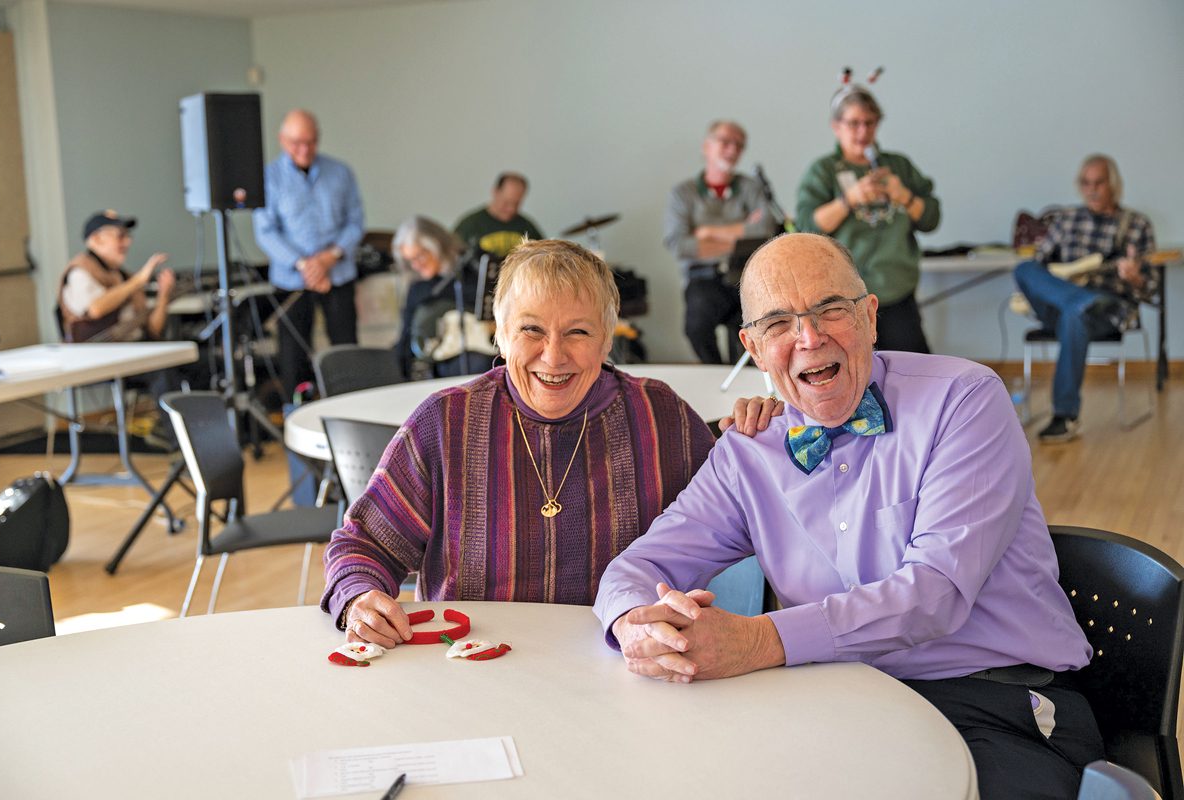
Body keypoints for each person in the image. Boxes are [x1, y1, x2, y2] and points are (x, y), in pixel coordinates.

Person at [595, 233, 1103, 800]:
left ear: (869, 317)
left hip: (992, 704)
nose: (809, 338)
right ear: (754, 348)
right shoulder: (749, 451)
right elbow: (636, 567)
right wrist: (638, 625)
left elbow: (932, 593)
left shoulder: (963, 401)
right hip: (833, 705)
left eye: (830, 310)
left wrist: (758, 642)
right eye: (779, 323)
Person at [321, 239, 720, 647]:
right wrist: (358, 598)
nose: (553, 355)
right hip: (470, 668)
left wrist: (758, 432)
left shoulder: (661, 418)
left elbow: (743, 508)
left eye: (578, 332)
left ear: (607, 340)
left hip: (621, 664)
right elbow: (363, 544)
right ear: (501, 334)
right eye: (531, 329)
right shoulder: (445, 423)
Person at [1013, 155, 1157, 442]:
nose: (1092, 190)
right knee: (1025, 269)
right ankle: (1078, 299)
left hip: (1107, 309)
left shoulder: (1135, 225)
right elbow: (1041, 266)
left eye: (1099, 183)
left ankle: (1065, 416)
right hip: (1063, 302)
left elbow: (1150, 288)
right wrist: (1062, 287)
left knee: (1074, 315)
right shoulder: (1067, 220)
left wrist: (1135, 277)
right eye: (1086, 183)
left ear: (1113, 184)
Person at [795, 81, 940, 354]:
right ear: (836, 126)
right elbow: (806, 227)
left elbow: (931, 219)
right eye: (854, 123)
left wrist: (904, 196)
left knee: (912, 370)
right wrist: (849, 200)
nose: (863, 132)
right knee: (857, 376)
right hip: (844, 298)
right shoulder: (823, 171)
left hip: (896, 290)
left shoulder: (897, 165)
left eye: (870, 123)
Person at [253, 109, 364, 400]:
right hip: (292, 279)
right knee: (292, 354)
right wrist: (305, 265)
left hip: (337, 273)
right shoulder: (268, 179)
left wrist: (329, 258)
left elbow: (355, 222)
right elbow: (266, 231)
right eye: (296, 143)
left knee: (346, 349)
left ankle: (354, 407)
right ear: (282, 140)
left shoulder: (340, 172)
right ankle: (295, 412)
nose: (304, 149)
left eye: (311, 142)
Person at [664, 120, 773, 365]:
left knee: (755, 331)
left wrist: (706, 232)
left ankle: (743, 377)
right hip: (703, 278)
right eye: (725, 142)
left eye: (739, 145)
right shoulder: (683, 193)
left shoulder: (751, 188)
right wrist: (743, 232)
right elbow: (680, 245)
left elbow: (765, 230)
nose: (732, 150)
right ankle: (715, 371)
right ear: (707, 146)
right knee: (696, 328)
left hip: (744, 277)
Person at [391, 215, 493, 379]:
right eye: (410, 260)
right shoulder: (418, 287)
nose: (416, 265)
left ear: (437, 246)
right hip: (438, 360)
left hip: (481, 352)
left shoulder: (471, 268)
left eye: (420, 256)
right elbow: (406, 333)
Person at [58, 210, 175, 343]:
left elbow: (152, 329)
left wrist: (164, 296)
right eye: (120, 236)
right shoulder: (79, 271)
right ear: (96, 239)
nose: (127, 242)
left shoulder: (125, 276)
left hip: (132, 352)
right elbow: (95, 309)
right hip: (95, 357)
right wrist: (138, 280)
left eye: (128, 236)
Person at [453, 172, 544, 259]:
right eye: (506, 203)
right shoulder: (469, 226)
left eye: (516, 204)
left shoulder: (528, 228)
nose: (511, 209)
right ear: (495, 192)